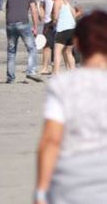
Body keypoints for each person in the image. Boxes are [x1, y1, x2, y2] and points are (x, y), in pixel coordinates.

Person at [34, 11, 107, 204]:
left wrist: (41, 192)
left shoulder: (62, 84)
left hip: (69, 182)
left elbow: (51, 140)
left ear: (78, 44)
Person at [5, 0, 43, 83]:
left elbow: (7, 13)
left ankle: (10, 78)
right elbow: (34, 11)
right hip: (22, 23)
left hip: (10, 24)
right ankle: (31, 71)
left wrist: (8, 28)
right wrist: (35, 27)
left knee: (11, 51)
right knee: (32, 48)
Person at [52, 0, 82, 74]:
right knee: (68, 52)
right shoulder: (69, 4)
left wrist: (54, 23)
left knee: (57, 52)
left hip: (63, 29)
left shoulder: (58, 2)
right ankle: (73, 73)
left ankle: (56, 73)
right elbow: (74, 15)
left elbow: (56, 17)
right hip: (72, 29)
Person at [39, 0, 62, 75]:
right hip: (48, 22)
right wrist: (42, 15)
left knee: (58, 46)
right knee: (46, 45)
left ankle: (55, 68)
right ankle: (44, 67)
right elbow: (42, 5)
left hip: (61, 22)